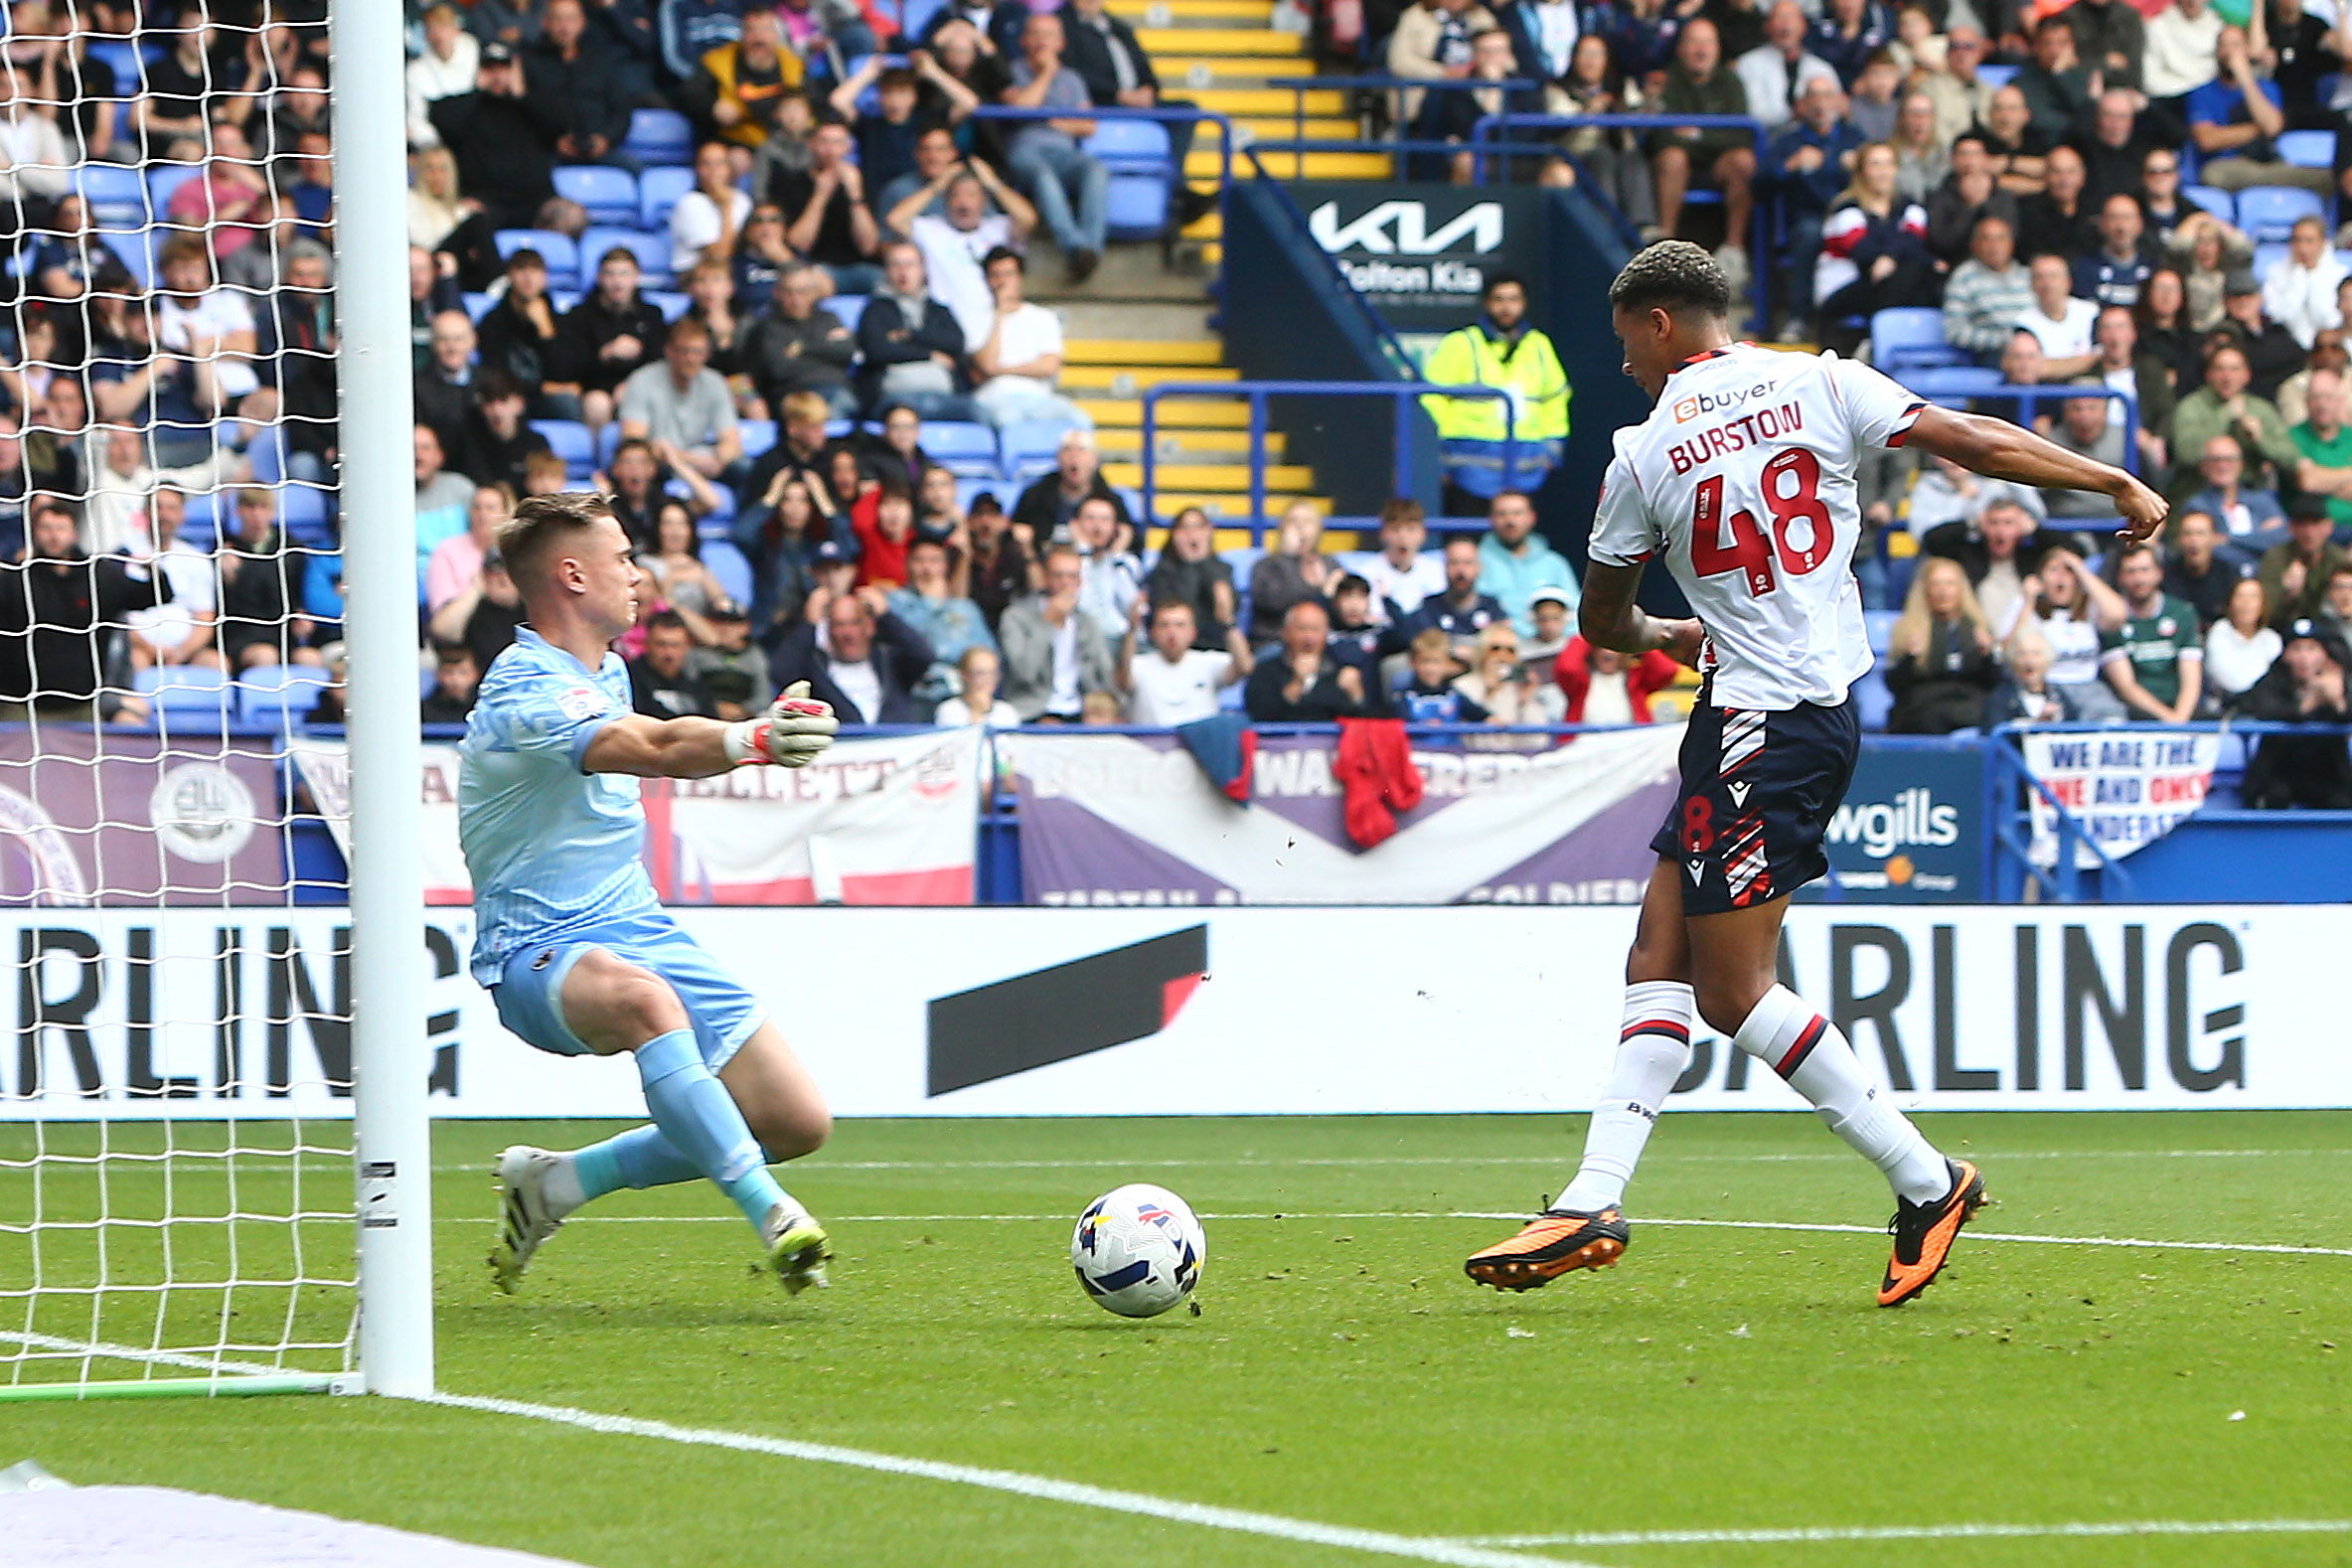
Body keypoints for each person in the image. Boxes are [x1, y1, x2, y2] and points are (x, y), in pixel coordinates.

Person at [1465, 240, 2166, 1307]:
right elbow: (1968, 438)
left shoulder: (1644, 452)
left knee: (1734, 990)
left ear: (1659, 324)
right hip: (1790, 714)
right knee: (1657, 947)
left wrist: (1666, 630)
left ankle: (1926, 1180)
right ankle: (1592, 1192)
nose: (1622, 366)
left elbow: (1602, 615)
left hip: (1763, 726)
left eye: (1623, 342)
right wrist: (2106, 474)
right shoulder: (1823, 379)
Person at [463, 493, 839, 1299]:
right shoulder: (522, 686)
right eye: (624, 558)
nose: (639, 575)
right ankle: (772, 1215)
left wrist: (751, 734)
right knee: (645, 1002)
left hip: (635, 923)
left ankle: (558, 1184)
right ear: (572, 574)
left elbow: (660, 732)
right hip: (535, 949)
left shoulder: (604, 669)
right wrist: (753, 738)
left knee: (794, 1119)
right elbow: (651, 743)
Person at [1420, 273, 1571, 513]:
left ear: (1524, 304)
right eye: (1499, 299)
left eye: (1513, 299)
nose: (1506, 307)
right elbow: (1430, 400)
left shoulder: (1539, 345)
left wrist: (1551, 452)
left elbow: (1555, 399)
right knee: (1466, 547)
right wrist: (1441, 454)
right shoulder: (1461, 343)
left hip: (1525, 470)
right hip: (1468, 470)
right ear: (1486, 303)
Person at [1000, 12, 1108, 283]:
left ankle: (1090, 249)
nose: (1042, 41)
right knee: (1043, 176)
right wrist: (1047, 72)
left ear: (1061, 42)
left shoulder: (1072, 79)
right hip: (1025, 151)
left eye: (1048, 35)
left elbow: (1089, 126)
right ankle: (1073, 247)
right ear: (1024, 40)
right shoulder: (1010, 71)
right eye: (1035, 33)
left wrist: (1050, 120)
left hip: (1065, 153)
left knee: (1096, 170)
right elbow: (1021, 109)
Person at [1650, 21, 1757, 272]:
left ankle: (1734, 251)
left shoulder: (1731, 82)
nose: (1701, 50)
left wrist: (1696, 136)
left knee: (1743, 161)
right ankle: (1663, 249)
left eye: (1708, 42)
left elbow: (1741, 137)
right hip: (1677, 167)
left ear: (1718, 48)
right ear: (1680, 49)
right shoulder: (1667, 80)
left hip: (1721, 166)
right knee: (1673, 157)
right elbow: (1662, 138)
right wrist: (1713, 138)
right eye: (1694, 42)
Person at [2189, 26, 2331, 197]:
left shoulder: (2266, 88)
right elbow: (2207, 139)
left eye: (2235, 45)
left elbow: (2272, 126)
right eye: (2224, 45)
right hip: (2229, 165)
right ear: (2217, 51)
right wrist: (2258, 129)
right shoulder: (2203, 93)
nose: (2229, 52)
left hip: (2268, 163)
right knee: (2212, 174)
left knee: (2327, 178)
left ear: (2247, 50)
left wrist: (2244, 77)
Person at [1811, 141, 1936, 325]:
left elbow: (1915, 243)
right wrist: (1902, 251)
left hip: (1887, 282)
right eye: (1875, 165)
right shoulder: (1846, 209)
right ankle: (1876, 339)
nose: (1883, 172)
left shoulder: (1910, 207)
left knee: (1928, 278)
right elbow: (1866, 253)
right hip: (1843, 289)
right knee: (1914, 270)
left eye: (1888, 164)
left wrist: (1891, 256)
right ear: (1861, 172)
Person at [2234, 617, 2352, 807]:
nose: (2304, 657)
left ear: (2324, 654)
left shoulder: (2340, 680)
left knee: (2342, 801)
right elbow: (2263, 708)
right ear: (2286, 655)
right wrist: (2308, 705)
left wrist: (2338, 702)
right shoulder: (2273, 680)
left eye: (2311, 648)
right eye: (2297, 649)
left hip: (2325, 772)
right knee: (2274, 797)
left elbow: (2346, 715)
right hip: (2278, 770)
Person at [856, 241, 975, 419]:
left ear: (922, 270)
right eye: (896, 265)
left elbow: (956, 342)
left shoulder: (938, 310)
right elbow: (877, 350)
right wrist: (930, 355)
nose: (903, 272)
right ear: (886, 271)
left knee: (977, 412)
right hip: (896, 399)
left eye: (909, 264)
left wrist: (909, 335)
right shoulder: (875, 310)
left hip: (945, 397)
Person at [971, 247, 1085, 430]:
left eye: (1009, 274)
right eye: (996, 275)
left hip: (1039, 399)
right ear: (987, 281)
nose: (1002, 282)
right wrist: (999, 314)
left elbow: (1049, 366)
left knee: (1080, 421)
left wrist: (1002, 370)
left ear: (1020, 277)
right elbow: (987, 365)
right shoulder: (975, 320)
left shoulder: (1044, 317)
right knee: (1009, 423)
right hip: (995, 399)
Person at [999, 544, 1115, 719]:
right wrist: (1047, 623)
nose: (1065, 583)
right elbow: (1023, 673)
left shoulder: (1086, 623)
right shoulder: (1016, 617)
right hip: (1031, 710)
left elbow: (1106, 674)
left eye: (1072, 577)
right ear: (1045, 578)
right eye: (1058, 575)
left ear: (1080, 582)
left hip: (1079, 710)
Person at [1884, 556, 1998, 732]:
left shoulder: (1979, 627)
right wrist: (1910, 657)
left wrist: (1987, 656)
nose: (1943, 591)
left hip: (1970, 706)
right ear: (1926, 590)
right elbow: (1894, 685)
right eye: (1936, 584)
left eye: (1950, 584)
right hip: (1922, 708)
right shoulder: (1907, 628)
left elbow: (1994, 682)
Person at [773, 120, 883, 295]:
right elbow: (799, 245)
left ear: (847, 147)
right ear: (811, 144)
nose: (830, 150)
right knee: (804, 285)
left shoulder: (861, 183)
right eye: (824, 141)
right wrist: (820, 196)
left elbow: (868, 246)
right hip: (815, 267)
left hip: (862, 268)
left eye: (838, 143)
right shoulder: (792, 184)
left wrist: (855, 195)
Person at [2101, 541, 2205, 722]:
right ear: (2120, 578)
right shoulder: (2113, 620)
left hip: (2180, 708)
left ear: (2159, 574)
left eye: (2145, 570)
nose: (2139, 579)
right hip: (2135, 713)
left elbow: (2191, 680)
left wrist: (2180, 719)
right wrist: (2170, 720)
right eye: (2131, 572)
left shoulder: (2182, 613)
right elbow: (2127, 687)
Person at [743, 263, 860, 420]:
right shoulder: (767, 327)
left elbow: (846, 352)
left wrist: (802, 349)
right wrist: (826, 349)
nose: (796, 299)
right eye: (789, 292)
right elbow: (779, 369)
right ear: (777, 293)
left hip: (835, 390)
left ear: (813, 293)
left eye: (802, 292)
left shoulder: (829, 318)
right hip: (794, 396)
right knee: (832, 408)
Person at [1120, 597, 1252, 725]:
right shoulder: (1138, 665)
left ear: (1193, 632)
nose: (1172, 633)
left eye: (1180, 625)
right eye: (1164, 625)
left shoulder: (1209, 663)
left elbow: (1244, 667)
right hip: (1150, 745)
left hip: (1199, 745)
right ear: (1153, 632)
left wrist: (1228, 624)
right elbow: (1124, 681)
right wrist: (1132, 630)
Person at [1242, 599, 1365, 720]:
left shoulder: (1339, 672)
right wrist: (1297, 683)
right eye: (1302, 629)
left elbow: (1360, 721)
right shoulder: (1264, 672)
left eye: (1315, 629)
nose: (1309, 638)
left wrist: (1356, 695)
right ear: (1285, 633)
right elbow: (1259, 714)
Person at [1940, 215, 2033, 362]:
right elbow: (1954, 332)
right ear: (1974, 244)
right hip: (1993, 353)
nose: (1994, 245)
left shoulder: (2028, 276)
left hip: (2034, 349)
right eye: (1986, 239)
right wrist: (2004, 340)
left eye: (2000, 239)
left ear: (2011, 244)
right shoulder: (1964, 277)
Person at [1143, 506, 1237, 649]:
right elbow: (1175, 608)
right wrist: (1190, 564)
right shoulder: (1161, 572)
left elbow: (1228, 610)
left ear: (1209, 531)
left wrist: (1203, 562)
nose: (1192, 534)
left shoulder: (1222, 569)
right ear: (1174, 534)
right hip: (1174, 647)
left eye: (1198, 527)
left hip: (1214, 645)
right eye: (1185, 528)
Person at [1401, 535, 1509, 654]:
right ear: (1445, 566)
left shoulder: (1493, 608)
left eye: (1468, 563)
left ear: (1479, 567)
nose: (1461, 571)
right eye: (1454, 563)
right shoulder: (1428, 608)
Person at [1245, 502, 1333, 646]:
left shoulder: (1329, 565)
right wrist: (1287, 558)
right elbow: (1274, 603)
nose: (1300, 527)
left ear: (1318, 529)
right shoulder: (1266, 566)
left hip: (1320, 646)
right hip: (1274, 641)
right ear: (1282, 528)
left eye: (1307, 521)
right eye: (1293, 521)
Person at [2259, 497, 2349, 625]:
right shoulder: (2276, 558)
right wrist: (2288, 594)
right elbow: (2264, 611)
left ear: (2329, 527)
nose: (2309, 533)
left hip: (2330, 626)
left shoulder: (2338, 559)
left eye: (2315, 524)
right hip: (2286, 627)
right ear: (2292, 528)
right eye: (2303, 525)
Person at [1360, 499, 1447, 627]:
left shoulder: (1438, 572)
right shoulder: (1365, 574)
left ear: (1423, 534)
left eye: (1411, 529)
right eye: (1395, 529)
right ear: (1383, 534)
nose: (1402, 536)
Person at [627, 610, 719, 718]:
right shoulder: (629, 679)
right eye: (661, 645)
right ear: (646, 644)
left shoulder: (695, 685)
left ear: (686, 647)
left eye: (675, 645)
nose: (669, 654)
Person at [2204, 573, 2281, 702]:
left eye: (2253, 597)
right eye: (2240, 596)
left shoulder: (2272, 640)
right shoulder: (2219, 632)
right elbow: (2228, 677)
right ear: (2230, 603)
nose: (2246, 603)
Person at [1982, 627, 2075, 725]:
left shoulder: (2059, 697)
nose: (2029, 661)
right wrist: (2035, 724)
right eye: (2022, 654)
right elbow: (1994, 731)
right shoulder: (2001, 699)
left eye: (2036, 654)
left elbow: (2074, 728)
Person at [935, 644, 1020, 728]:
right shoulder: (949, 710)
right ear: (964, 675)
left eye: (992, 673)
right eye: (980, 673)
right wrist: (977, 711)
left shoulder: (1007, 711)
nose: (987, 680)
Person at [421, 642, 484, 724]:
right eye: (448, 672)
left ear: (475, 674)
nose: (456, 680)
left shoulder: (485, 710)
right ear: (438, 675)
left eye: (463, 672)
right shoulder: (423, 711)